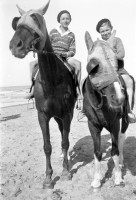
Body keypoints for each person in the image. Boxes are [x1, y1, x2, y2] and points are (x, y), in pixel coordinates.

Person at [25, 10, 81, 99]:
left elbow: (73, 50)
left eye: (67, 18)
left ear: (70, 20)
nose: (65, 20)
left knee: (78, 64)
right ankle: (32, 89)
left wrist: (65, 54)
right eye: (63, 19)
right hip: (51, 56)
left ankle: (77, 90)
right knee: (32, 64)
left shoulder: (71, 34)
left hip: (64, 57)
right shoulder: (53, 31)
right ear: (59, 20)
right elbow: (46, 44)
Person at [96, 18, 136, 123]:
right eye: (102, 31)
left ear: (111, 29)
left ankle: (129, 110)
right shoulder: (98, 43)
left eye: (107, 30)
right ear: (100, 33)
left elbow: (121, 54)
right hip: (103, 71)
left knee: (129, 81)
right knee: (87, 82)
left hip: (118, 69)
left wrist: (110, 56)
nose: (105, 33)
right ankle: (88, 110)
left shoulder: (117, 40)